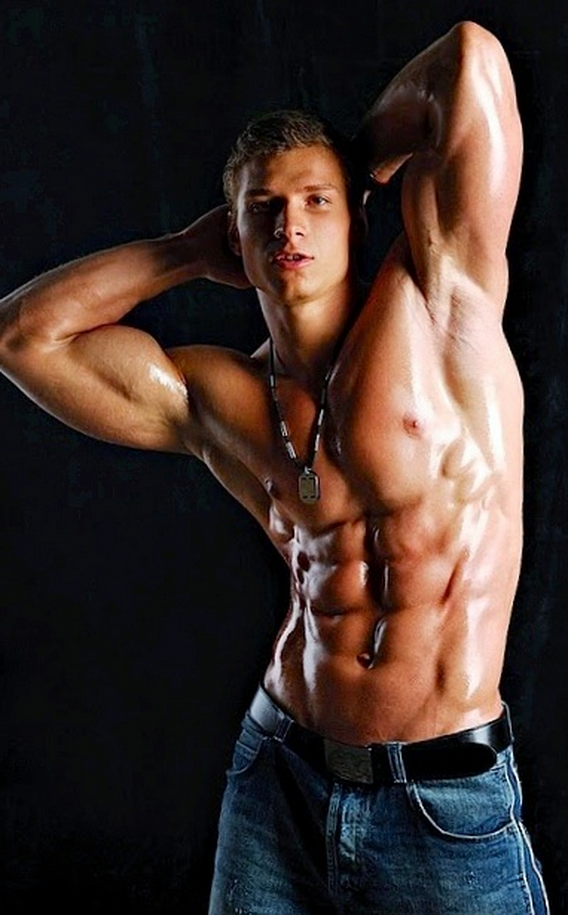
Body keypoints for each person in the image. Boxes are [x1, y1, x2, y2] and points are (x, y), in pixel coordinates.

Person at [0, 20, 549, 915]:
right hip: (278, 780)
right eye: (264, 209)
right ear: (236, 234)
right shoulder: (222, 401)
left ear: (356, 215)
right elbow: (23, 338)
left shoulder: (443, 305)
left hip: (440, 799)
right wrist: (185, 251)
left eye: (315, 202)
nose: (290, 224)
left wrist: (357, 164)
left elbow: (469, 59)